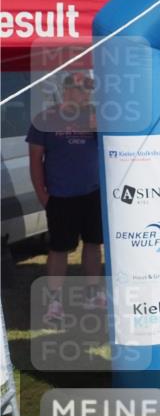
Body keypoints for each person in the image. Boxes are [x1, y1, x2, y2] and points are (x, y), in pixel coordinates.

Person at [27, 73, 103, 323]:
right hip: (60, 196)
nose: (86, 93)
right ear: (67, 90)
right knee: (59, 249)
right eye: (81, 89)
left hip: (92, 193)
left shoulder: (96, 116)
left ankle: (93, 294)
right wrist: (43, 195)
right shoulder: (45, 119)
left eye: (89, 89)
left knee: (93, 244)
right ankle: (55, 301)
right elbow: (35, 161)